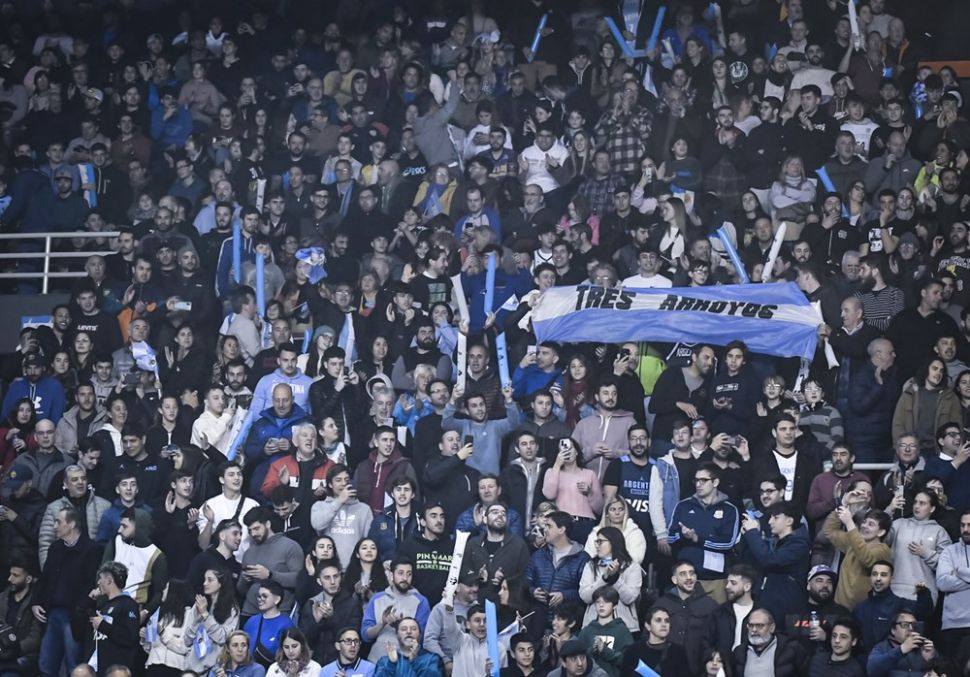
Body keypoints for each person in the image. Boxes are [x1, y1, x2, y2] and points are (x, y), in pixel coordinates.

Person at [362, 557, 431, 662]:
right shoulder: (376, 599)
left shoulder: (421, 601)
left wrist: (401, 626)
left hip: (407, 660)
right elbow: (365, 636)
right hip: (377, 659)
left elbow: (422, 638)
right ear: (391, 575)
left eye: (409, 574)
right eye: (400, 573)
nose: (405, 578)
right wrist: (382, 623)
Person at [238, 507, 303, 616]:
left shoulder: (290, 546)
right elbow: (241, 590)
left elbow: (299, 580)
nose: (253, 534)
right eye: (250, 530)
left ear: (268, 524)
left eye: (256, 528)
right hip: (249, 612)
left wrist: (270, 575)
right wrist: (244, 580)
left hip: (279, 613)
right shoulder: (248, 552)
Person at [578, 526, 641, 634]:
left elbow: (629, 598)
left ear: (613, 542)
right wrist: (604, 579)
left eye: (600, 542)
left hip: (625, 627)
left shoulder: (632, 566)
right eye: (596, 542)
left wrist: (615, 579)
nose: (597, 546)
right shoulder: (590, 565)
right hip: (593, 625)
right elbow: (585, 596)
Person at [298, 560, 361, 665]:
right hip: (315, 664)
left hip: (342, 663)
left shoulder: (352, 604)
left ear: (340, 578)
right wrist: (316, 622)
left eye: (336, 576)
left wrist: (332, 618)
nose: (332, 582)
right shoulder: (312, 603)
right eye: (327, 578)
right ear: (319, 581)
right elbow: (303, 640)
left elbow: (352, 639)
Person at [183, 567, 241, 674]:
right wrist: (196, 621)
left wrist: (206, 615)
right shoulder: (199, 604)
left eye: (210, 580)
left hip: (214, 669)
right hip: (192, 667)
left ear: (221, 583)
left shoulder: (231, 609)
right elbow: (186, 640)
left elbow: (223, 638)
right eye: (204, 579)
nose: (205, 583)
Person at [88, 561, 142, 674]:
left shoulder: (129, 605)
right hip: (98, 668)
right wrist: (90, 600)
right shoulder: (103, 605)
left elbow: (130, 638)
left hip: (116, 670)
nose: (98, 582)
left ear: (109, 580)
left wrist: (103, 626)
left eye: (100, 578)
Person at [731, 607, 807, 676]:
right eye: (751, 625)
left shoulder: (791, 649)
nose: (754, 630)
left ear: (772, 628)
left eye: (759, 625)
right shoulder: (739, 652)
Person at [618, 607, 690, 677]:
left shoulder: (678, 652)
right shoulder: (633, 651)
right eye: (658, 620)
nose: (663, 624)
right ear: (648, 626)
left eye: (667, 621)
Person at [867, 609, 938, 677]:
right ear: (893, 630)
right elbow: (872, 670)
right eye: (905, 625)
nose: (911, 628)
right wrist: (901, 649)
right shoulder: (882, 647)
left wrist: (931, 659)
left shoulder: (924, 646)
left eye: (914, 625)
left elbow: (940, 671)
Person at [243, 580, 296, 669]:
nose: (260, 599)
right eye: (259, 596)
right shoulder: (252, 620)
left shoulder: (286, 624)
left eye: (265, 596)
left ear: (277, 599)